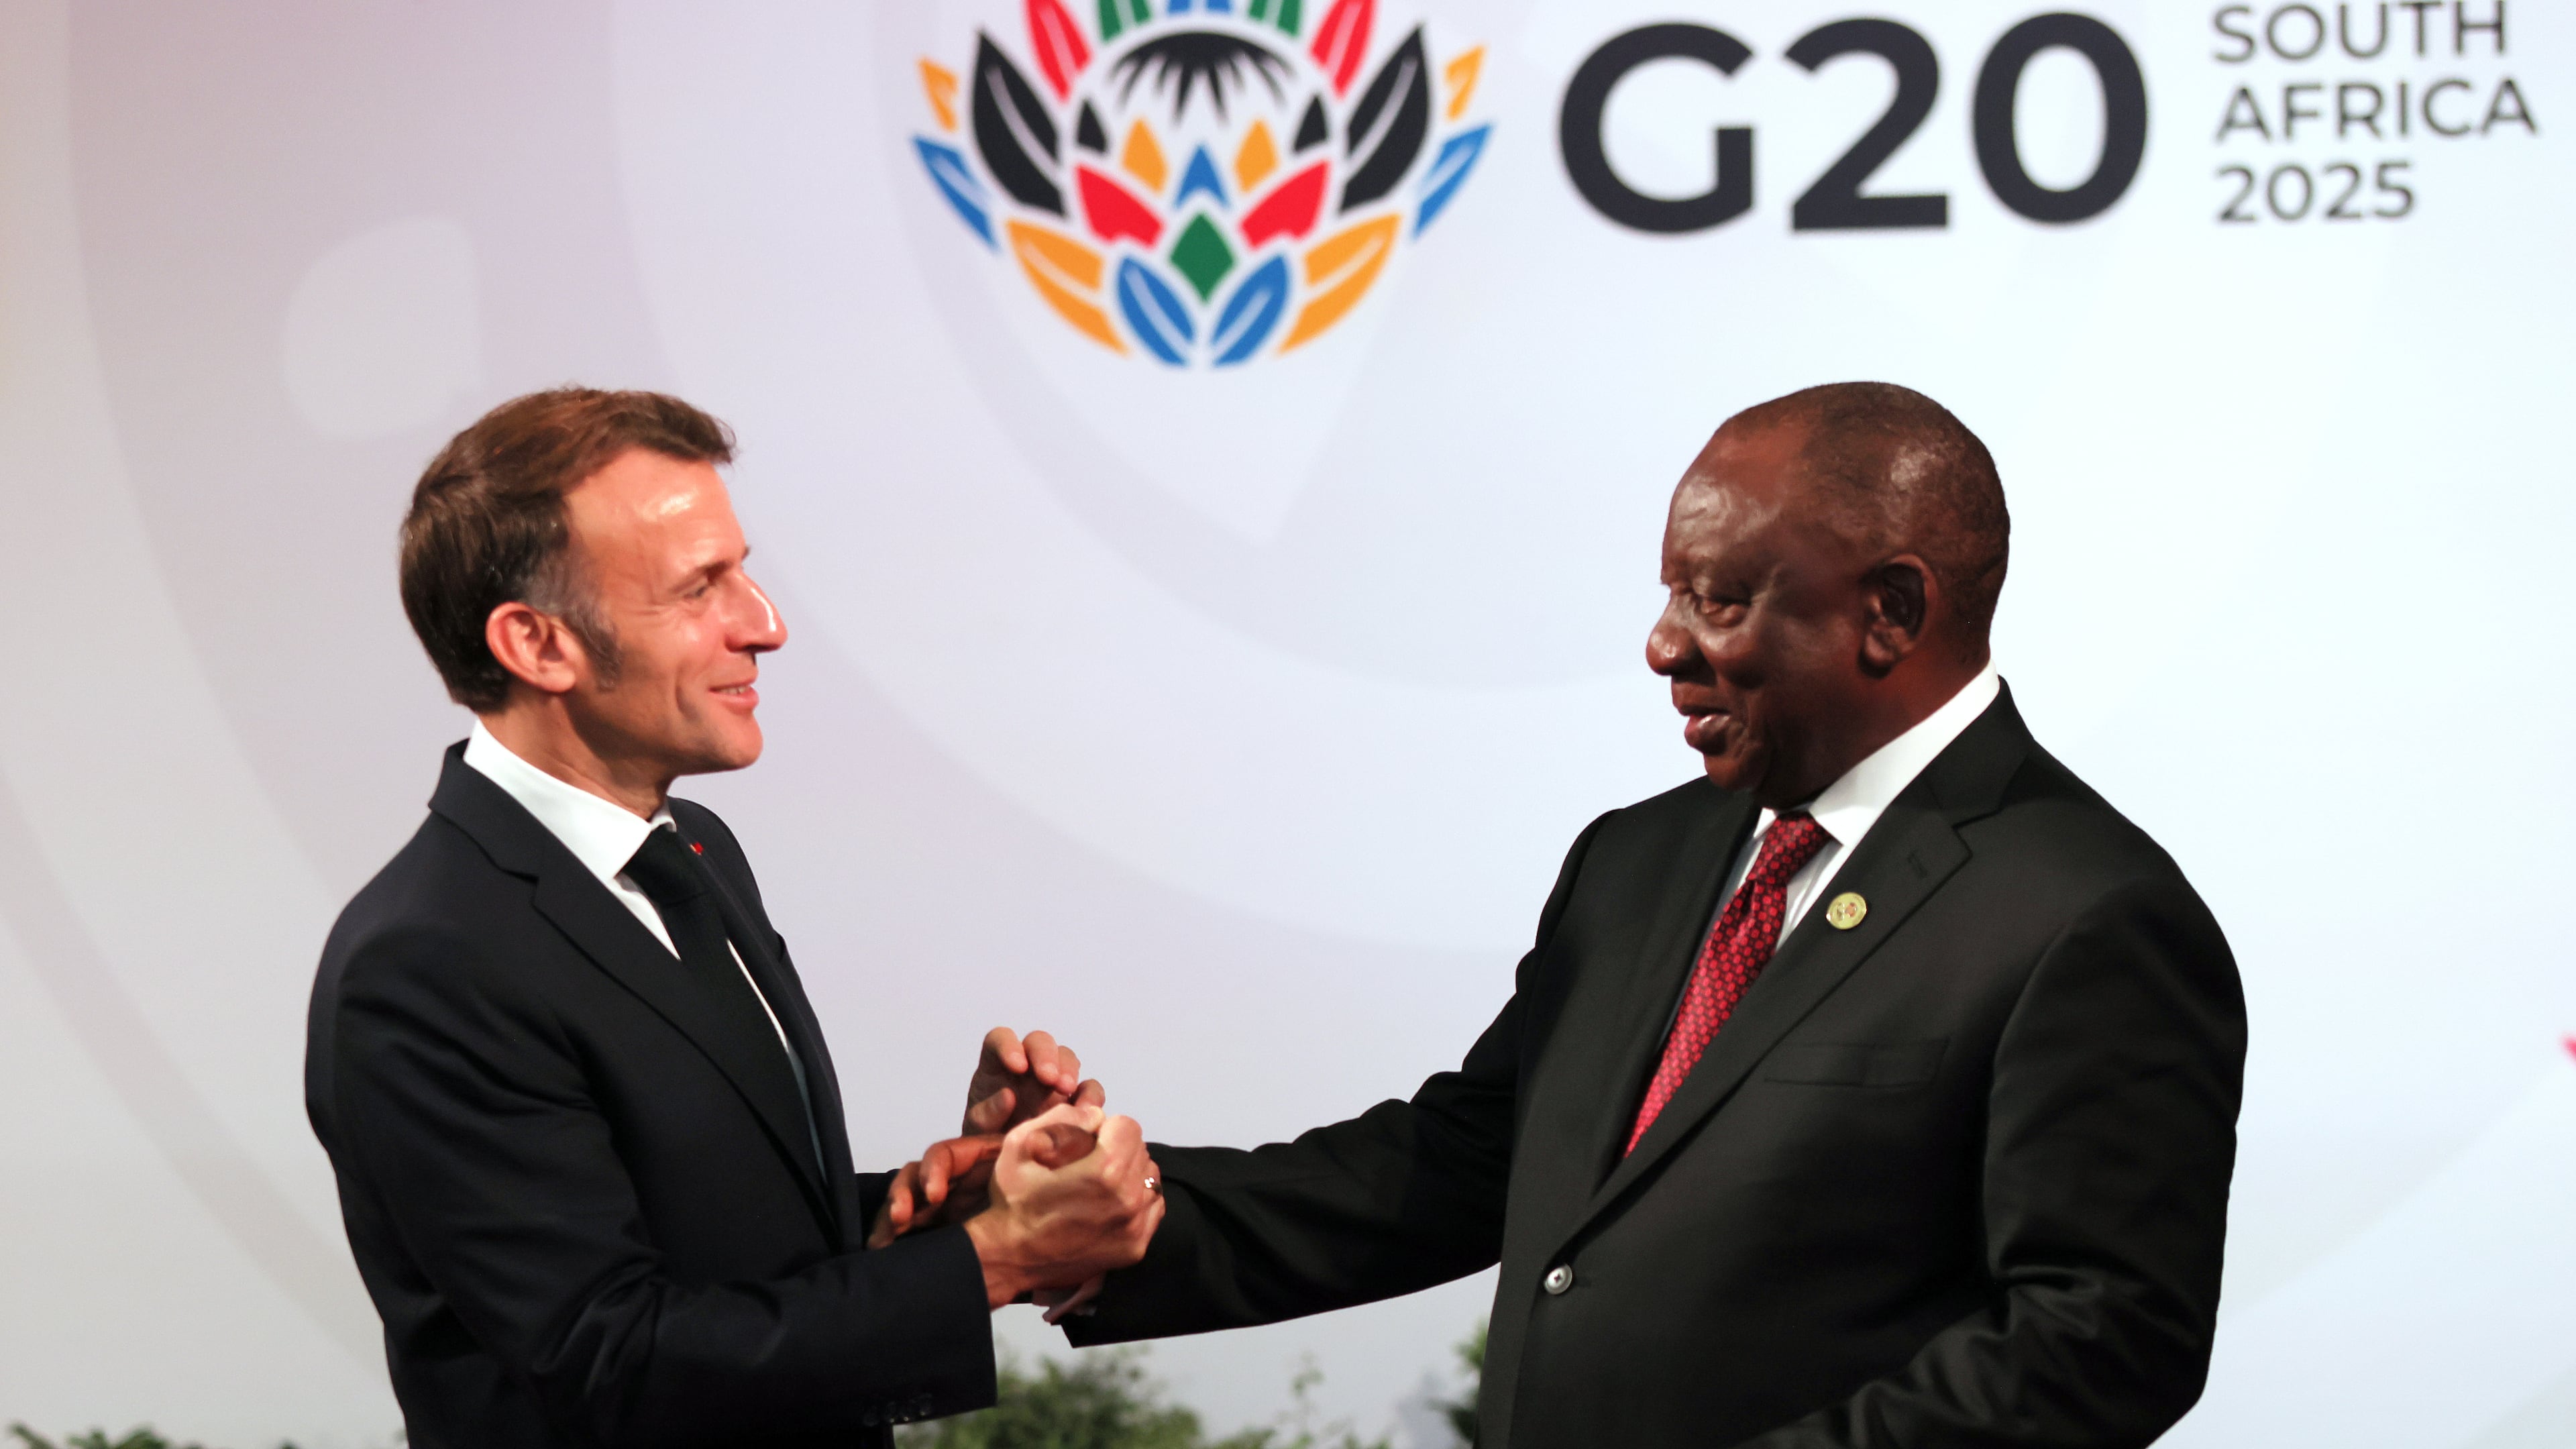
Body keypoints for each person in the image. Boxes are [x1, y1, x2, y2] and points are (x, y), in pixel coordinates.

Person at [902, 382, 2247, 1446]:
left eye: (1719, 595)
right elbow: (1462, 1168)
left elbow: (2100, 1340)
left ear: (1890, 611)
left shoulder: (2086, 914)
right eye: (1672, 589)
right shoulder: (1640, 861)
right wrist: (1117, 1211)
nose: (1665, 643)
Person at [304, 388, 1165, 1449]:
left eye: (741, 571)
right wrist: (998, 1264)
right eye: (700, 587)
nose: (765, 624)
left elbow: (715, 1236)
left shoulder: (697, 853)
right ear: (537, 644)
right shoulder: (426, 960)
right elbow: (610, 1358)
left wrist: (927, 1211)